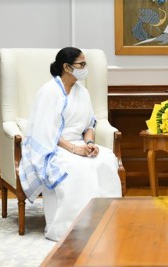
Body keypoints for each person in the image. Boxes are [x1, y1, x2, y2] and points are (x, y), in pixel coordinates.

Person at [19, 47, 122, 241]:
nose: (85, 68)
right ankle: (73, 228)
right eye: (81, 65)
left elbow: (89, 124)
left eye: (85, 64)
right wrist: (75, 149)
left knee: (106, 159)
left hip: (79, 143)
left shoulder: (82, 92)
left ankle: (106, 221)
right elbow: (45, 132)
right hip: (55, 145)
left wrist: (90, 143)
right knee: (76, 167)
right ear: (67, 67)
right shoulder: (48, 92)